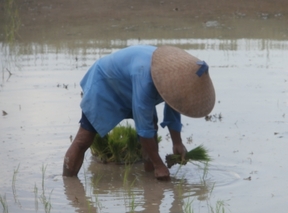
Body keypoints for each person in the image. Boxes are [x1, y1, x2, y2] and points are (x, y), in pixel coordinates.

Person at [63, 45, 215, 180]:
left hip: (130, 79)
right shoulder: (145, 79)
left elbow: (174, 107)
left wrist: (177, 142)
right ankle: (69, 186)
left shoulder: (174, 79)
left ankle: (150, 181)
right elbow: (143, 128)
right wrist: (160, 164)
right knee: (84, 139)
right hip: (106, 81)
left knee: (153, 126)